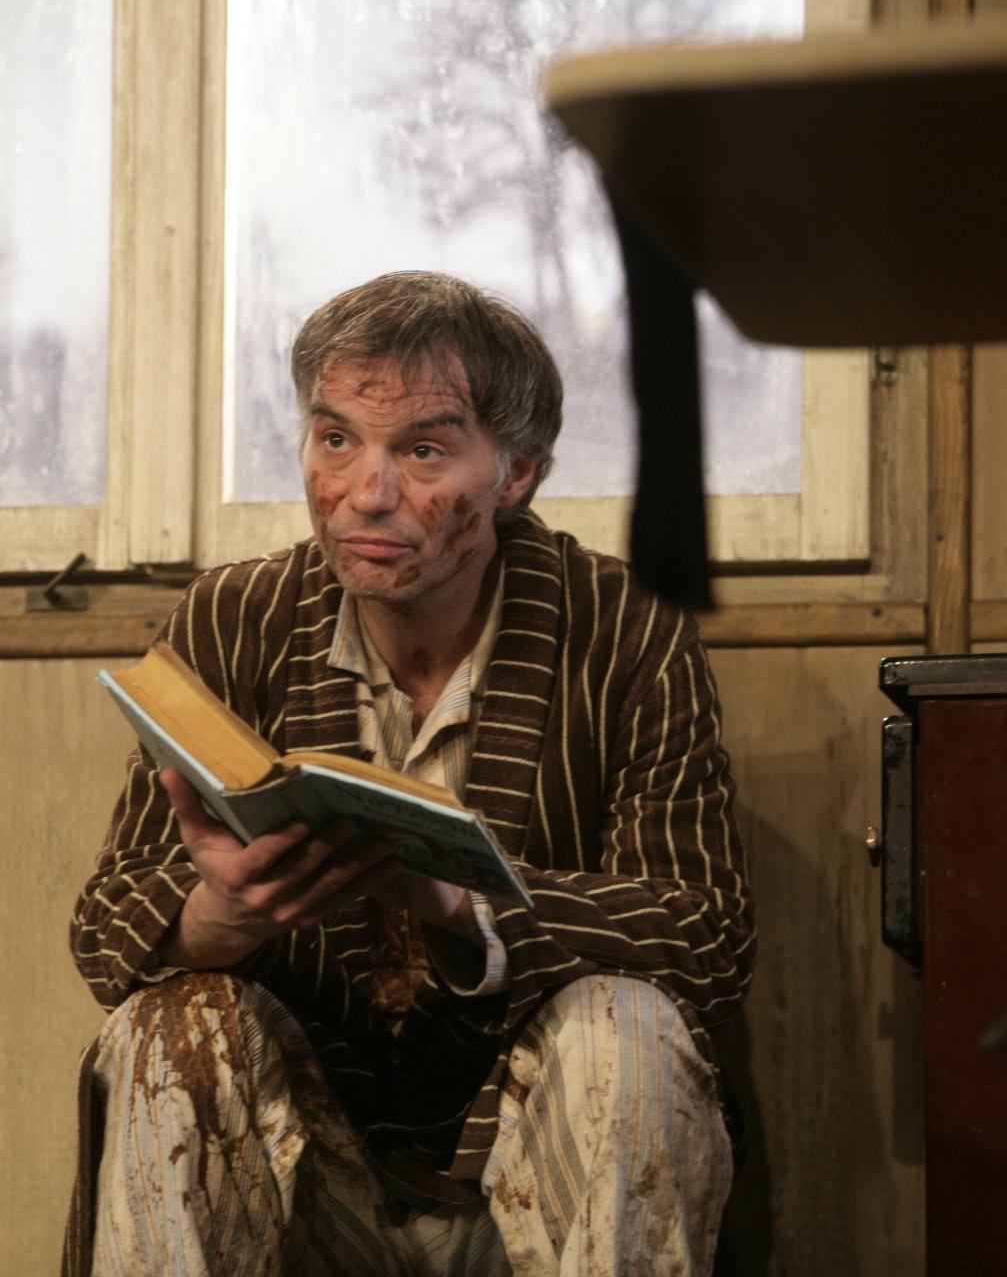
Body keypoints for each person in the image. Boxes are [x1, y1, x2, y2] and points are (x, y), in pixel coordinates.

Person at [65, 272, 754, 1277]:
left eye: (422, 451)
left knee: (628, 1026)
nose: (366, 491)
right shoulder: (232, 618)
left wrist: (469, 907)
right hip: (305, 1168)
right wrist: (223, 910)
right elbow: (104, 925)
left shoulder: (626, 627)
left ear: (515, 473)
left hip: (534, 1160)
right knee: (167, 1026)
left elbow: (707, 935)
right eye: (335, 439)